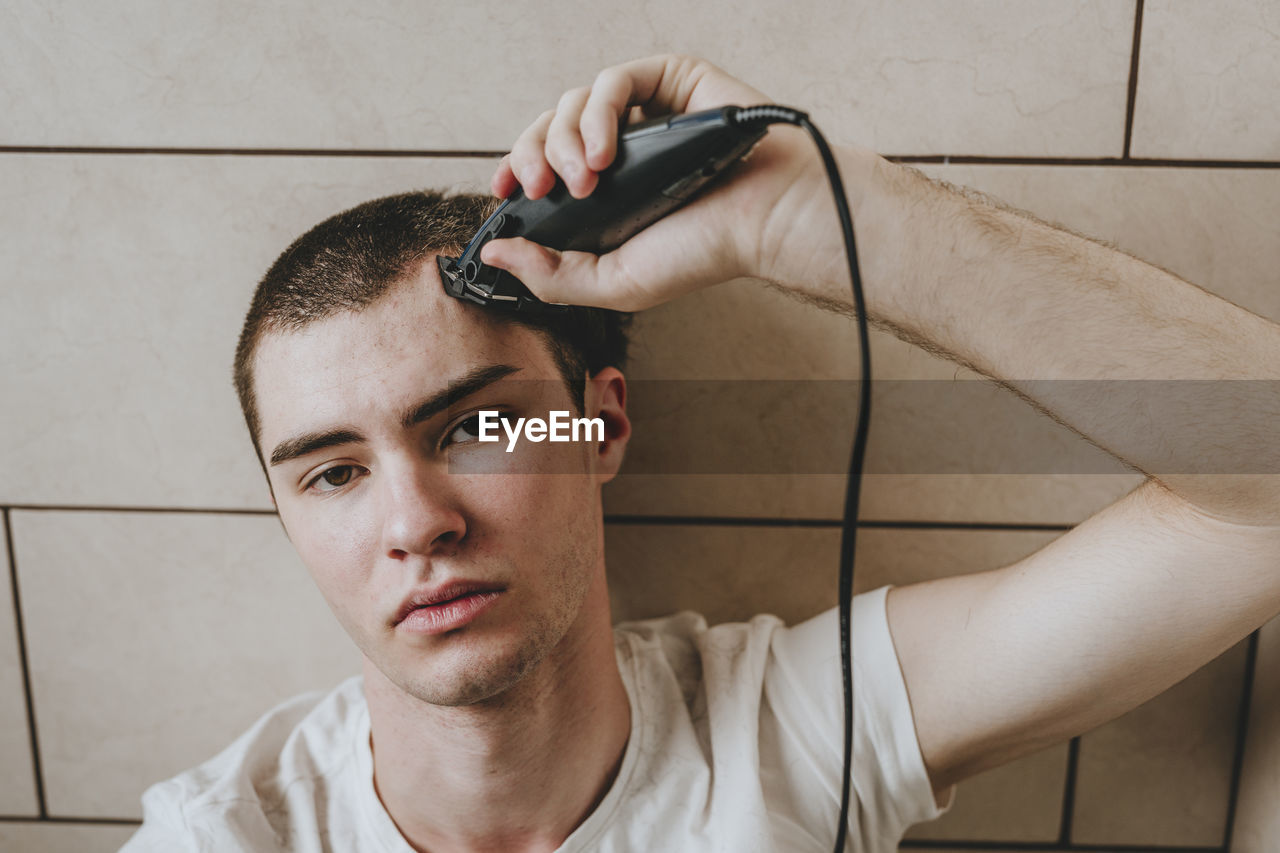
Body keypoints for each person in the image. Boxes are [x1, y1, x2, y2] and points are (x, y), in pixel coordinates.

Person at [122, 55, 1280, 852]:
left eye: (477, 426)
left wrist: (811, 219)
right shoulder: (226, 834)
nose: (413, 519)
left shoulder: (793, 731)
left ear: (601, 425)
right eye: (332, 471)